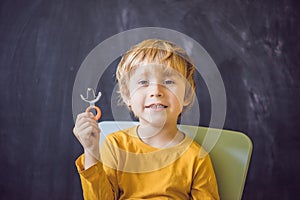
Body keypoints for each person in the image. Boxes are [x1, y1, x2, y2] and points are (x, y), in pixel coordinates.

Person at [73, 39, 220, 199]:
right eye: (143, 82)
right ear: (127, 95)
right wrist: (91, 153)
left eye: (168, 81)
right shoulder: (115, 146)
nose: (156, 91)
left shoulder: (196, 158)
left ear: (187, 95)